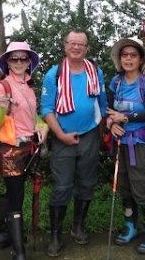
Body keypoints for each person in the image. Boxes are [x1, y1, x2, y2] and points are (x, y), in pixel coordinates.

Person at [40, 28, 108, 257]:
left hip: (90, 135)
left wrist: (104, 130)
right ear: (65, 45)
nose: (77, 47)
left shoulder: (95, 71)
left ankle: (78, 227)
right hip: (63, 137)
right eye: (73, 43)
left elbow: (101, 101)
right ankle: (56, 235)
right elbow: (47, 109)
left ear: (87, 48)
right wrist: (59, 135)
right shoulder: (54, 74)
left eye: (82, 44)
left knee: (86, 183)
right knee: (62, 186)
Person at [0, 41, 49, 260]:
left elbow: (32, 117)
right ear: (8, 62)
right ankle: (18, 251)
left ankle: (4, 234)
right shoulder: (3, 86)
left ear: (29, 62)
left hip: (28, 147)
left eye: (24, 58)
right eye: (15, 58)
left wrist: (43, 125)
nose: (19, 62)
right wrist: (1, 108)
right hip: (11, 149)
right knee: (16, 194)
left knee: (13, 190)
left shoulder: (29, 86)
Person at [106, 37, 145, 254]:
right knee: (125, 188)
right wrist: (111, 124)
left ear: (140, 59)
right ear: (119, 59)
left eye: (133, 55)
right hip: (119, 143)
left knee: (141, 189)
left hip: (140, 144)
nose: (128, 59)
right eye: (124, 55)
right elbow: (107, 110)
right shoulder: (115, 82)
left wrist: (125, 118)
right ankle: (130, 226)